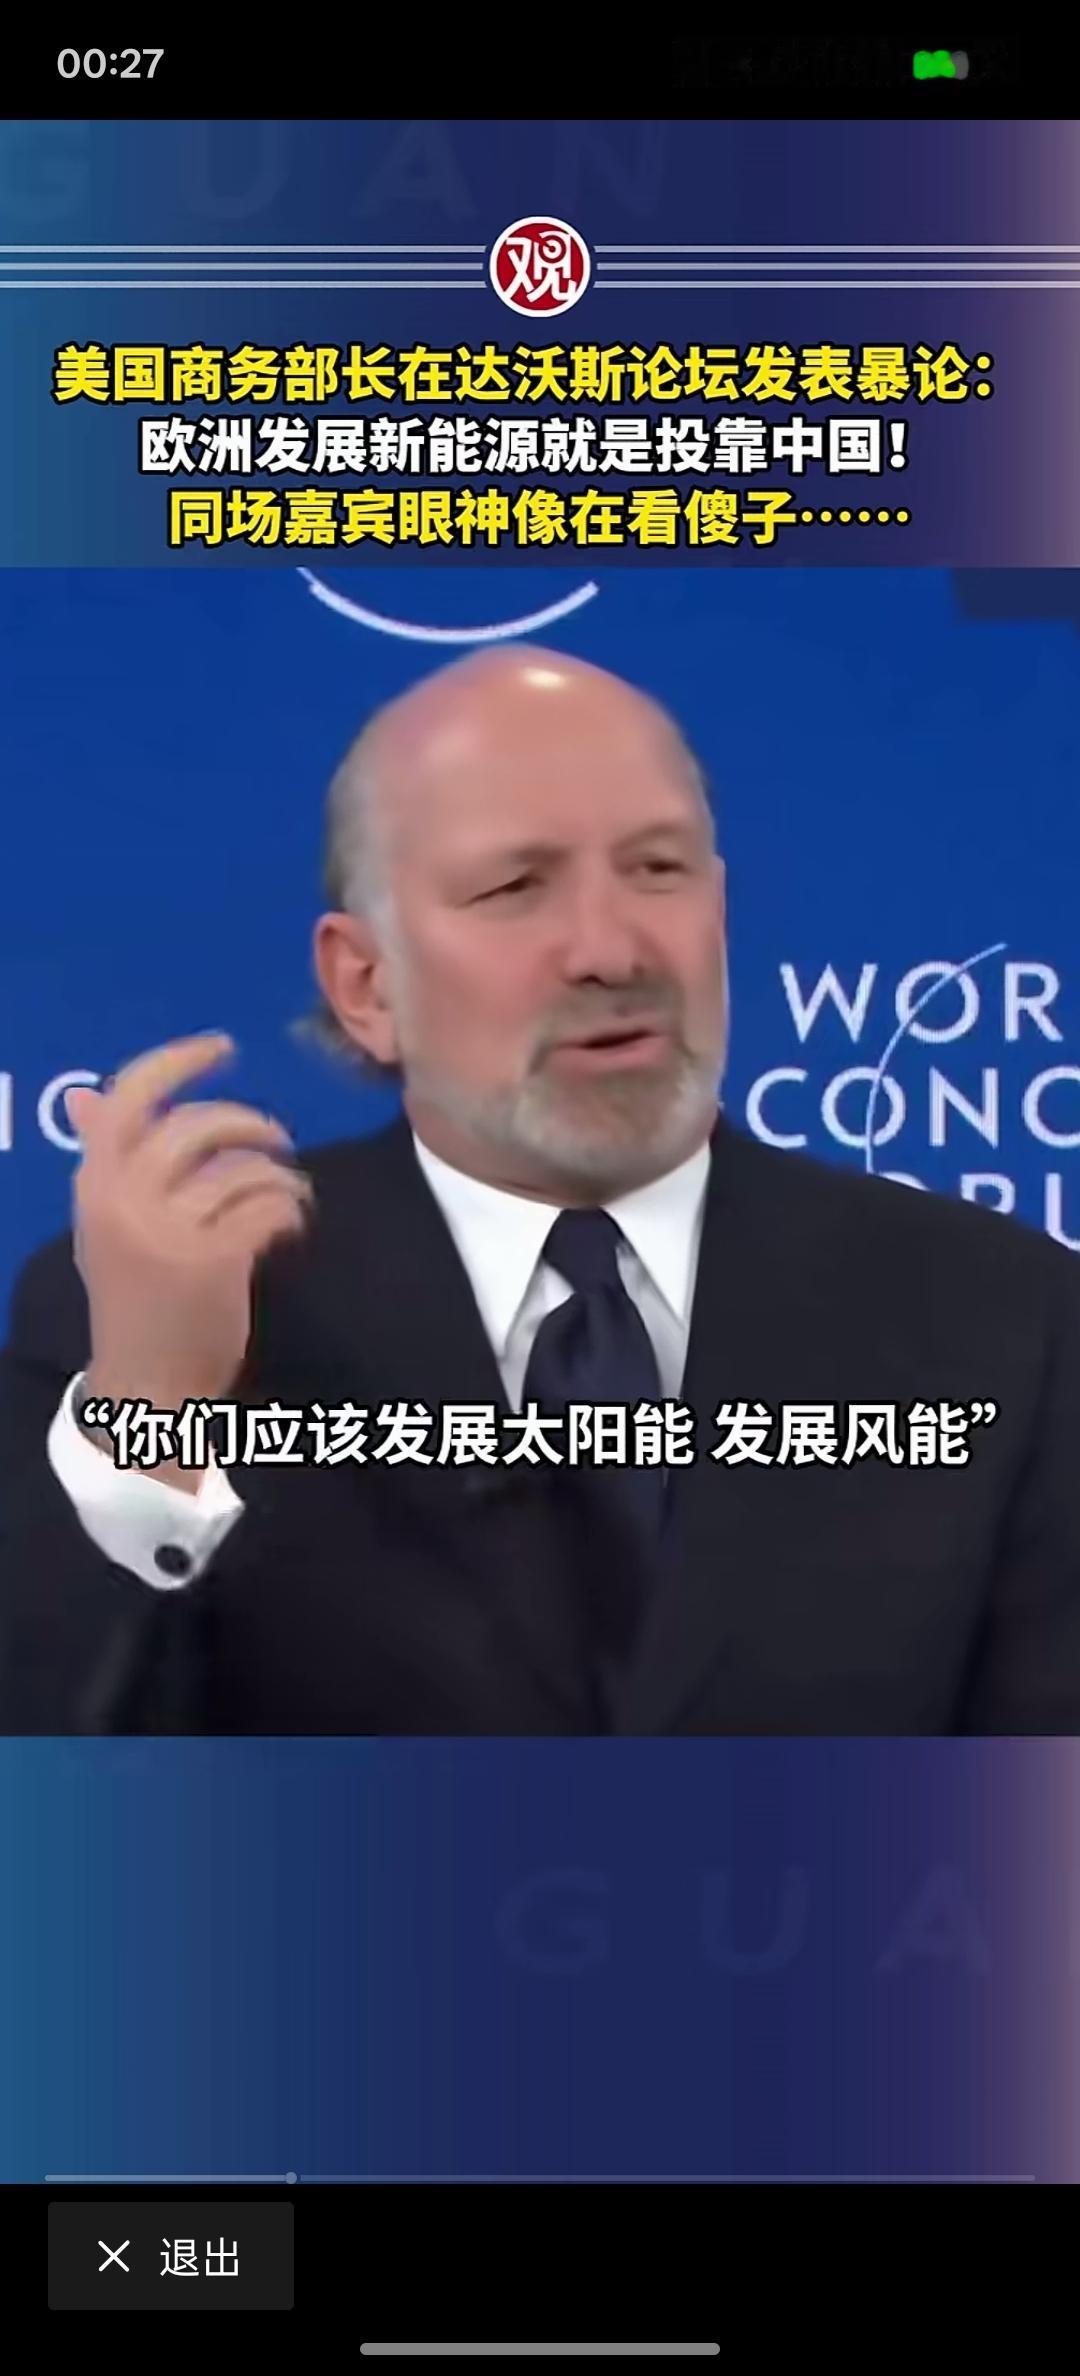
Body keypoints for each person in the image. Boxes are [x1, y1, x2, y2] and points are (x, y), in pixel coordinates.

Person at [2, 644, 1079, 1735]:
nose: (612, 950)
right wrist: (155, 1414)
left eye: (658, 869)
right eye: (515, 887)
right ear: (368, 986)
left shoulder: (1004, 1318)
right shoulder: (159, 1316)